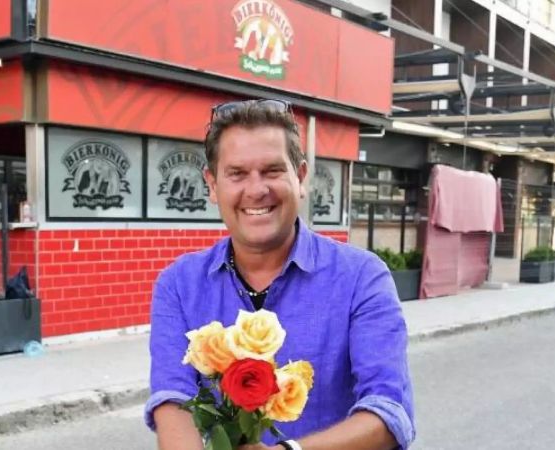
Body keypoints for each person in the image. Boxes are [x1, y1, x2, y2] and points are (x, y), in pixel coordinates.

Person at [144, 99, 415, 450]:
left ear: (300, 177)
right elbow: (172, 399)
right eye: (237, 173)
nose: (256, 190)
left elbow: (389, 411)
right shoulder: (179, 285)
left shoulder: (362, 278)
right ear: (212, 185)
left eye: (272, 170)